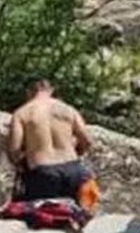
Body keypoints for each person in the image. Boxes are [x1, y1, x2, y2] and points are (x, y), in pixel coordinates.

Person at [6, 79, 99, 208]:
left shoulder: (22, 113)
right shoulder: (68, 110)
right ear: (51, 90)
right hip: (74, 170)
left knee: (44, 219)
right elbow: (87, 141)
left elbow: (14, 151)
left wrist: (23, 163)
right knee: (77, 215)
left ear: (28, 92)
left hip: (43, 173)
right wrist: (76, 153)